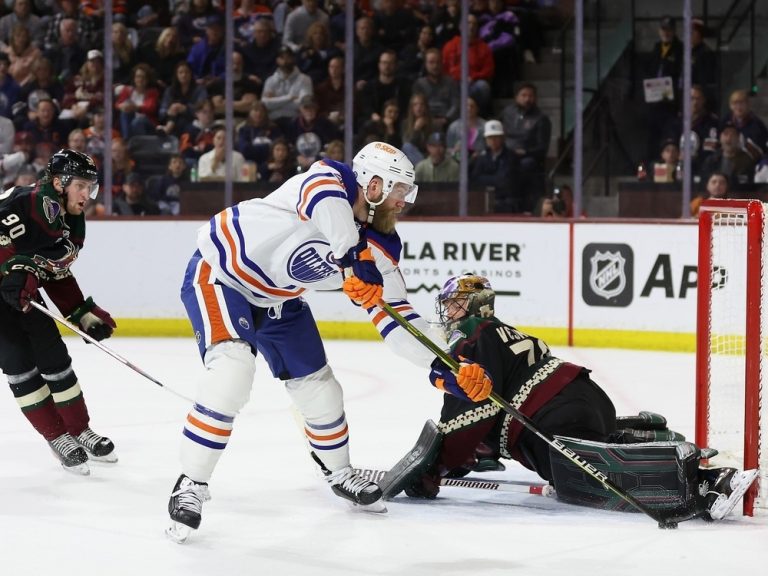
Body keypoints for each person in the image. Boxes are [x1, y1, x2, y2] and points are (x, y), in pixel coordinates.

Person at [165, 141, 489, 543]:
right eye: (401, 190)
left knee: (321, 388)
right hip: (221, 275)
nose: (405, 202)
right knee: (232, 372)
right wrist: (353, 257)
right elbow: (326, 203)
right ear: (373, 185)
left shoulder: (381, 248)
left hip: (279, 299)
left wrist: (445, 366)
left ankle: (339, 474)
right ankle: (191, 484)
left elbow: (400, 322)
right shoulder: (327, 178)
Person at [383, 274, 758, 524]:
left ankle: (708, 481)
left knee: (583, 479)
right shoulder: (507, 332)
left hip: (550, 419)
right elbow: (492, 406)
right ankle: (645, 436)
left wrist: (437, 467)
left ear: (471, 305)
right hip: (587, 397)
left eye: (452, 305)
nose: (447, 313)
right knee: (598, 445)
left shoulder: (472, 340)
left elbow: (473, 407)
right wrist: (474, 455)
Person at [0, 149, 117, 476]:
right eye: (81, 185)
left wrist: (81, 312)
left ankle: (80, 429)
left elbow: (53, 270)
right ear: (58, 182)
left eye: (90, 187)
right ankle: (57, 436)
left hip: (22, 291)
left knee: (55, 358)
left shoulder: (68, 222)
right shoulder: (25, 203)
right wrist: (9, 270)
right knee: (19, 365)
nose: (86, 195)